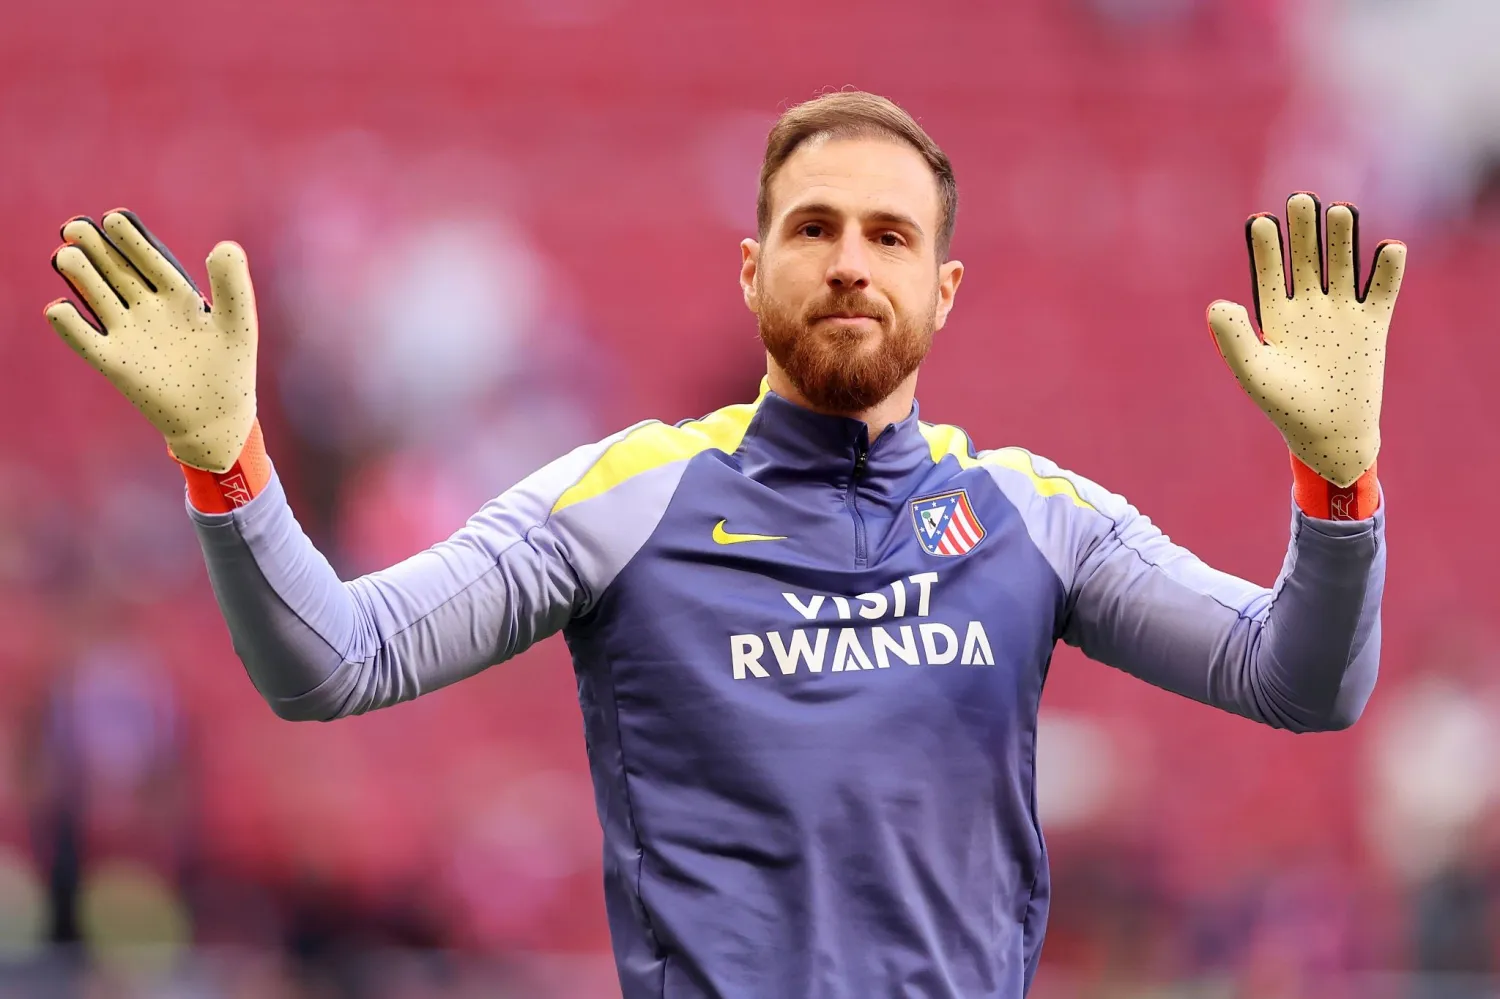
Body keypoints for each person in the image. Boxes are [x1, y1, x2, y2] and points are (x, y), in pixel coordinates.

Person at [41, 91, 1401, 999]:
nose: (851, 262)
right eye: (813, 229)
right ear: (751, 270)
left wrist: (1337, 485)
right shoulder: (624, 499)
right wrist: (226, 455)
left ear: (944, 289)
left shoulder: (1036, 516)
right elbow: (333, 660)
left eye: (890, 236)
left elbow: (1301, 681)